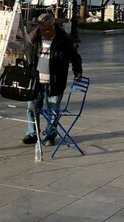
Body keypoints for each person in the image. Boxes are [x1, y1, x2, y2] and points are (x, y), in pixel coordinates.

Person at [22, 12, 83, 146]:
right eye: (43, 30)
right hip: (36, 81)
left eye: (48, 29)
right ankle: (32, 133)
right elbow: (24, 53)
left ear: (54, 25)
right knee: (32, 107)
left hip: (55, 81)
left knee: (52, 110)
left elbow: (75, 56)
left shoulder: (63, 39)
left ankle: (50, 134)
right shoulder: (35, 37)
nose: (46, 32)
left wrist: (77, 70)